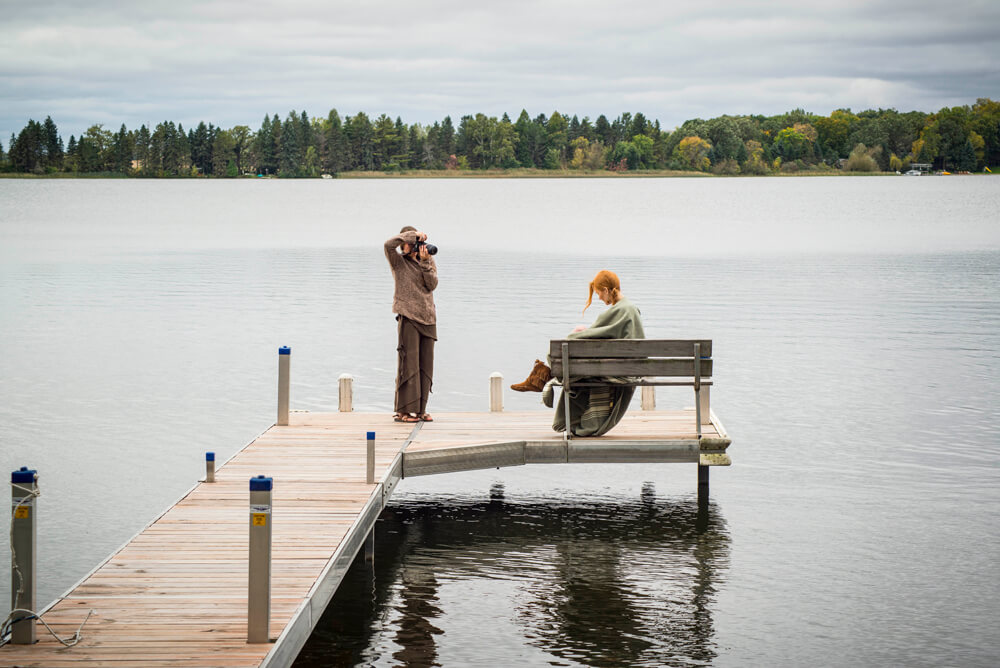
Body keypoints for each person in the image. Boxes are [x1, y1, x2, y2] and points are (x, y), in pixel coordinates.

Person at [511, 270, 644, 437]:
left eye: (598, 293)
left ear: (606, 289)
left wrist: (574, 334)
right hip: (626, 367)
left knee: (568, 344)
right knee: (578, 341)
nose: (599, 298)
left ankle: (539, 378)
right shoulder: (631, 309)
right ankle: (539, 378)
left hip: (616, 373)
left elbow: (590, 335)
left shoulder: (618, 310)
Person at [385, 226, 438, 423]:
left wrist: (425, 263)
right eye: (409, 242)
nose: (412, 245)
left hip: (428, 317)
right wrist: (413, 236)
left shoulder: (428, 260)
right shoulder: (398, 262)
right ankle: (404, 411)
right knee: (409, 365)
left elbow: (432, 285)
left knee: (426, 366)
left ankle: (421, 410)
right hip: (408, 316)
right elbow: (388, 244)